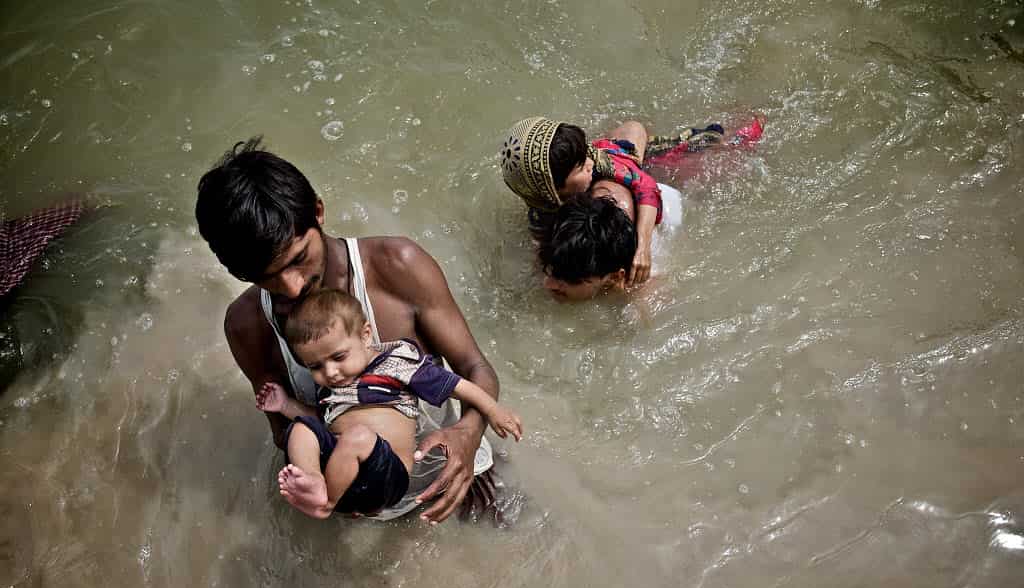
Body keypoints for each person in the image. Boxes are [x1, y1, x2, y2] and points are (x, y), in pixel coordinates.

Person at [195, 136, 502, 523]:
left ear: (318, 212)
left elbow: (475, 368)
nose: (292, 287)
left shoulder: (398, 268)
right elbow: (282, 431)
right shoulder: (247, 325)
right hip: (356, 501)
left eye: (298, 259)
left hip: (457, 474)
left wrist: (469, 435)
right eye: (264, 277)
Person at [254, 288, 522, 519]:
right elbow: (320, 420)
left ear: (365, 335)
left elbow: (455, 385)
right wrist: (286, 405)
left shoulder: (396, 362)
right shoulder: (331, 389)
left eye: (338, 356)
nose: (331, 372)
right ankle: (313, 480)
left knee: (358, 436)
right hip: (343, 471)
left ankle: (327, 504)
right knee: (301, 428)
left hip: (386, 474)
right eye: (315, 366)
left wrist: (492, 409)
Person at [500, 116, 763, 286]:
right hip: (621, 153)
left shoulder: (601, 166)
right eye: (580, 167)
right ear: (552, 191)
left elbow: (647, 188)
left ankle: (741, 133)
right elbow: (543, 246)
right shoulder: (541, 208)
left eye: (585, 158)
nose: (589, 163)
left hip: (639, 160)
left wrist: (642, 247)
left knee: (711, 154)